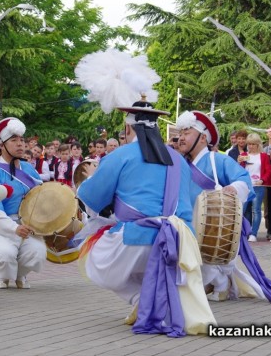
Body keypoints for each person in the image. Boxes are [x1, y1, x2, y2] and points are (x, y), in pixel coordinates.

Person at [74, 50, 215, 336]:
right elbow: (190, 200)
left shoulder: (121, 155)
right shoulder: (179, 160)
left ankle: (139, 298)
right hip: (179, 241)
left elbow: (91, 196)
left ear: (129, 128)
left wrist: (88, 183)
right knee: (137, 256)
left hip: (137, 238)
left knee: (92, 257)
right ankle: (152, 300)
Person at [176, 110, 271, 303]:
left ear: (203, 138)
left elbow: (243, 179)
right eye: (181, 133)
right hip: (187, 224)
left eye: (187, 133)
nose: (181, 137)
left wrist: (234, 189)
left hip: (211, 226)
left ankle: (219, 282)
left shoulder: (217, 159)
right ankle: (215, 282)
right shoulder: (181, 163)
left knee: (206, 262)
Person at [0, 117, 46, 290]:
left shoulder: (29, 169)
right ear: (1, 145)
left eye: (22, 140)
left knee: (38, 254)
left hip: (28, 225)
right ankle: (1, 275)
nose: (20, 144)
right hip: (3, 228)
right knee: (4, 255)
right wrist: (14, 228)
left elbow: (41, 197)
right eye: (14, 140)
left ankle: (19, 275)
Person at [240, 133, 271, 242]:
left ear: (258, 144)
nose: (250, 146)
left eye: (253, 144)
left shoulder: (263, 156)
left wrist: (262, 180)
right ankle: (245, 232)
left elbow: (269, 170)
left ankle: (254, 233)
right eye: (249, 144)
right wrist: (239, 161)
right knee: (244, 210)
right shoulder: (244, 155)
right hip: (246, 186)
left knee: (256, 210)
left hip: (258, 186)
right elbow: (239, 170)